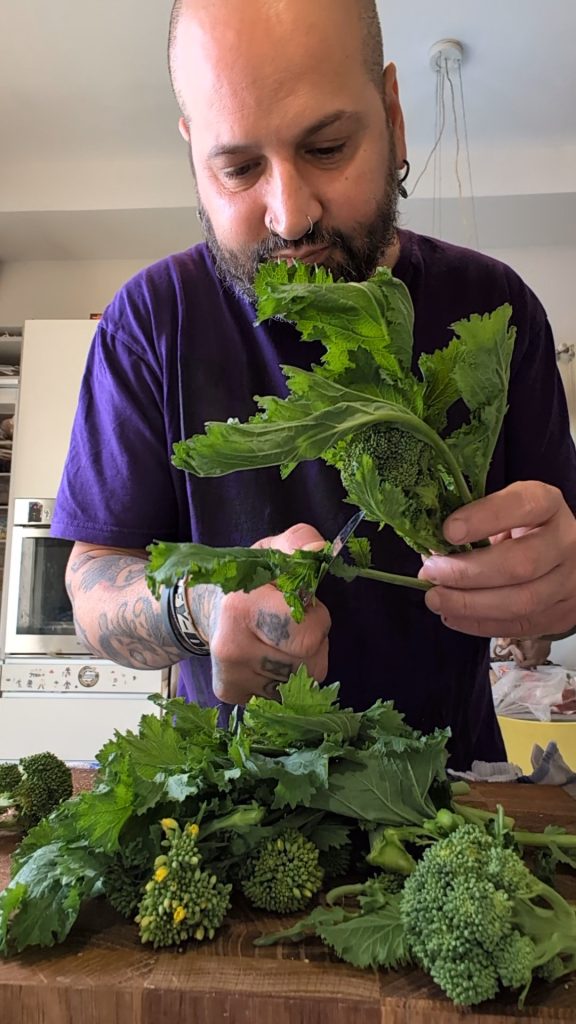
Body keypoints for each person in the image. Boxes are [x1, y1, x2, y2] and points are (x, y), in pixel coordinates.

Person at [51, 0, 576, 769]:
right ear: (193, 152)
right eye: (238, 169)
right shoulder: (148, 321)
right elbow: (90, 583)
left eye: (327, 147)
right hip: (231, 804)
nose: (291, 214)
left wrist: (555, 591)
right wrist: (198, 606)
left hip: (453, 789)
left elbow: (550, 597)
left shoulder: (499, 311)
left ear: (393, 114)